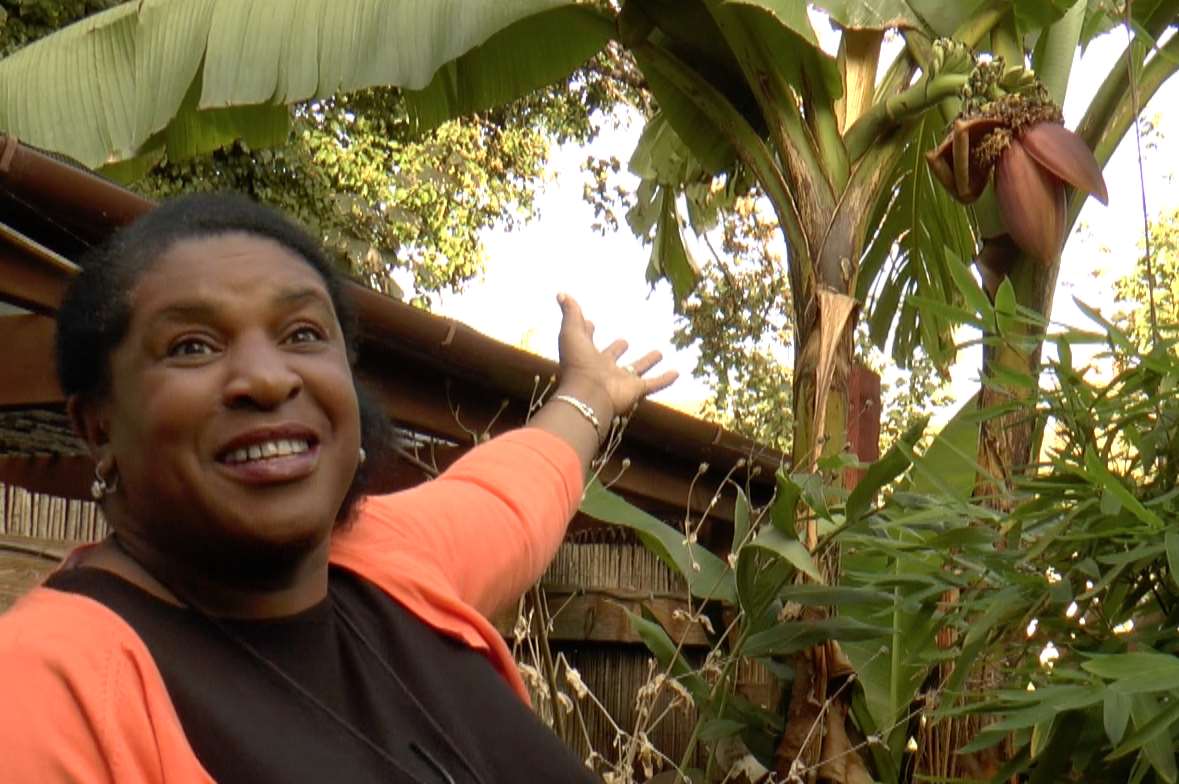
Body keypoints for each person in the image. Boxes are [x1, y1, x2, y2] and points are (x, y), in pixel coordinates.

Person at [0, 193, 676, 783]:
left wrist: (590, 391)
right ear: (97, 427)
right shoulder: (42, 687)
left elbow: (516, 489)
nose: (267, 379)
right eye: (192, 347)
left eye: (302, 333)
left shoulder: (385, 562)